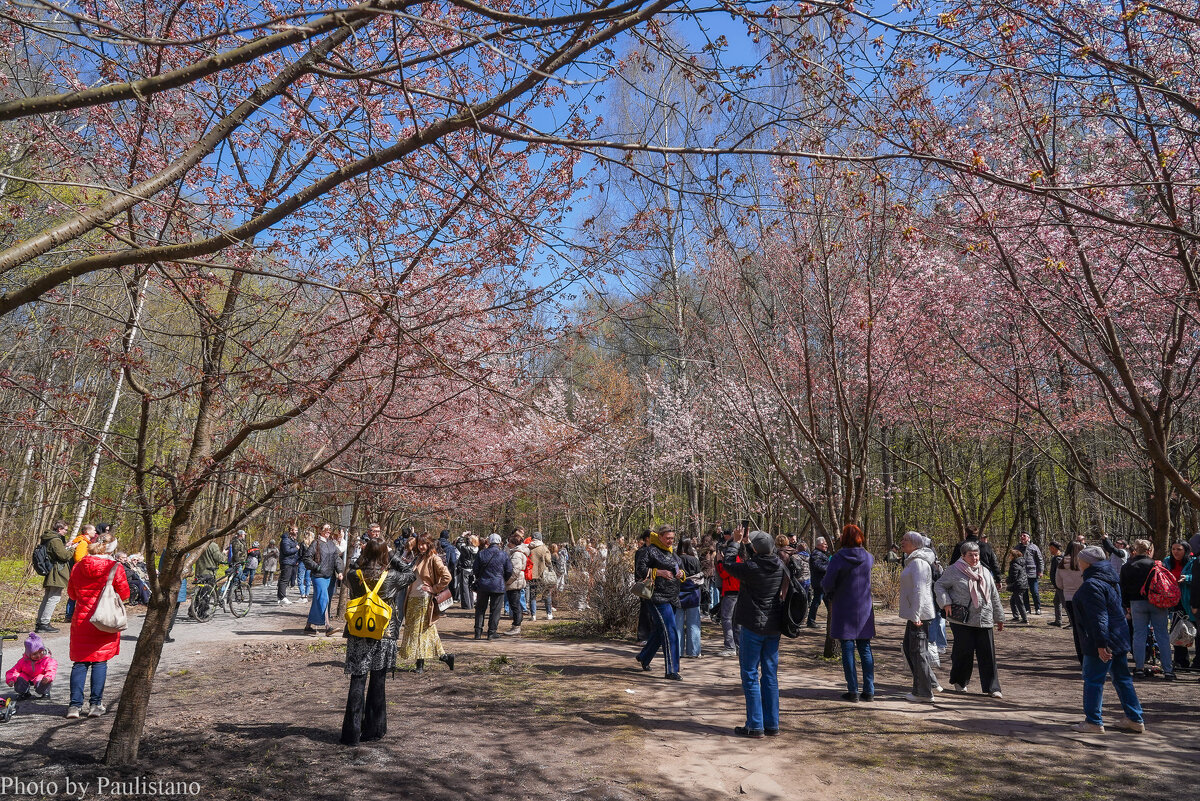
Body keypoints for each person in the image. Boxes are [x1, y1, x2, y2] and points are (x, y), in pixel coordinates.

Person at [340, 538, 416, 746]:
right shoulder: (391, 576)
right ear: (385, 554)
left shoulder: (354, 575)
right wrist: (391, 555)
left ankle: (352, 733)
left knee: (357, 679)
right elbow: (411, 573)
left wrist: (364, 556)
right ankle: (374, 729)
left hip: (358, 632)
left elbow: (352, 568)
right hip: (384, 632)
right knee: (378, 680)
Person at [1070, 546, 1146, 734]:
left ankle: (1094, 721)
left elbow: (1099, 617)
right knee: (1122, 679)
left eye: (1080, 560)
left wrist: (1101, 644)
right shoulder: (1110, 578)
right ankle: (1135, 718)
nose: (1078, 563)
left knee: (1094, 680)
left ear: (1087, 562)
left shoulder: (1092, 584)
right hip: (1118, 637)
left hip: (1103, 641)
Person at [721, 531, 786, 738]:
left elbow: (728, 564)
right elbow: (759, 559)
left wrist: (736, 542)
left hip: (752, 626)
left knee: (749, 674)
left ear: (757, 550)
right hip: (774, 626)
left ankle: (755, 725)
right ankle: (772, 724)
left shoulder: (750, 568)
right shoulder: (779, 563)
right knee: (770, 675)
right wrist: (749, 545)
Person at [65, 538, 131, 718]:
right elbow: (125, 594)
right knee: (99, 661)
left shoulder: (77, 567)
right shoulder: (115, 568)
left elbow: (72, 593)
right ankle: (95, 705)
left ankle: (74, 706)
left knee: (80, 662)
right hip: (104, 619)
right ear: (110, 550)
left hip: (82, 620)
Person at [935, 540, 1005, 697]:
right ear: (963, 556)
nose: (975, 558)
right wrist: (945, 602)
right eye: (971, 555)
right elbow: (939, 586)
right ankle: (960, 682)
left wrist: (999, 617)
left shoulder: (985, 571)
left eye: (977, 554)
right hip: (962, 619)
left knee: (988, 653)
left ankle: (993, 688)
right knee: (963, 652)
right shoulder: (953, 570)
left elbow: (994, 595)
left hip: (984, 618)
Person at [823, 524, 876, 702]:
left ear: (843, 538)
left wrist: (829, 590)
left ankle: (852, 690)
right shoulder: (869, 557)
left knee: (847, 647)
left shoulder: (838, 558)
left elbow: (828, 581)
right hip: (864, 607)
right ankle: (869, 690)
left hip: (844, 605)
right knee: (865, 647)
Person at [398, 532, 454, 673]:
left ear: (429, 544)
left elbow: (447, 576)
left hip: (423, 599)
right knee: (423, 631)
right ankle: (445, 657)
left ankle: (420, 665)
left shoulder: (433, 558)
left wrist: (434, 588)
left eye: (424, 544)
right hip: (412, 597)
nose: (421, 546)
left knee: (420, 632)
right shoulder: (418, 557)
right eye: (419, 544)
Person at [1120, 539, 1173, 679]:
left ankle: (1139, 668)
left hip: (1136, 603)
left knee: (1139, 635)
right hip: (1157, 602)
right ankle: (1168, 670)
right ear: (1149, 550)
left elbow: (1123, 588)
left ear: (1135, 550)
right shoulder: (1155, 565)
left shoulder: (1127, 566)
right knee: (1162, 635)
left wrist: (1126, 606)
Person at [636, 525, 685, 680]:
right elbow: (640, 569)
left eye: (672, 538)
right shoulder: (650, 551)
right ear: (660, 537)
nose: (670, 541)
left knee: (660, 630)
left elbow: (683, 571)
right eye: (667, 538)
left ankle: (644, 657)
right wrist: (658, 572)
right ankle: (672, 670)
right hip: (657, 597)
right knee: (670, 630)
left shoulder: (674, 554)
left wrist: (681, 574)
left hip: (673, 597)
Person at [898, 531, 940, 703]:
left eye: (905, 540)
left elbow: (920, 590)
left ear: (915, 544)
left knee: (918, 652)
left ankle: (923, 692)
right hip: (915, 613)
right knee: (910, 649)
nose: (901, 542)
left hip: (920, 614)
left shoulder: (918, 563)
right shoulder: (913, 561)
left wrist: (916, 615)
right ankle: (931, 682)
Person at [304, 526, 344, 637]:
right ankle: (328, 627)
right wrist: (317, 567)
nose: (328, 531)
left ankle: (308, 626)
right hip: (319, 576)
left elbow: (337, 559)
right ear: (320, 531)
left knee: (320, 600)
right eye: (325, 529)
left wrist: (340, 571)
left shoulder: (331, 544)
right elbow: (306, 558)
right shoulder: (315, 543)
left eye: (329, 529)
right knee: (323, 598)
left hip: (330, 577)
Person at [35, 520, 73, 634]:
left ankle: (40, 622)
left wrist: (65, 546)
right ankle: (44, 623)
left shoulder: (49, 538)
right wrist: (71, 549)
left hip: (51, 570)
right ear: (59, 529)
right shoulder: (56, 540)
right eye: (65, 529)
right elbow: (64, 556)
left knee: (47, 597)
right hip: (56, 572)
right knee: (53, 598)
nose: (66, 532)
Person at [473, 534, 513, 639]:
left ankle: (478, 632)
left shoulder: (481, 554)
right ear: (499, 542)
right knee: (495, 610)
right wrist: (503, 579)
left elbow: (475, 569)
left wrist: (480, 577)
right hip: (498, 585)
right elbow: (509, 570)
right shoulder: (503, 555)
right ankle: (491, 632)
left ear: (489, 542)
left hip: (483, 585)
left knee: (480, 609)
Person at [1163, 542, 1193, 670]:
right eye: (1173, 549)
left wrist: (1187, 578)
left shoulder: (1192, 562)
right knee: (1176, 631)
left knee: (1193, 630)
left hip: (1189, 600)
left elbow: (1196, 577)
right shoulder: (1167, 561)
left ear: (1185, 550)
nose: (1176, 552)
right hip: (1173, 601)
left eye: (1179, 549)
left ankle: (1196, 662)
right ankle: (1180, 661)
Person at [1055, 541, 1086, 662]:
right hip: (1084, 597)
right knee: (1087, 627)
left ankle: (1081, 656)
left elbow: (1059, 584)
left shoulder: (1061, 564)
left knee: (1076, 629)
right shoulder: (1082, 563)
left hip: (1069, 598)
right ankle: (1089, 654)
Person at [5, 632, 57, 699]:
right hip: (27, 677)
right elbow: (13, 671)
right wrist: (11, 679)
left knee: (43, 679)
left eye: (40, 652)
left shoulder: (47, 660)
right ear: (28, 654)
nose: (38, 655)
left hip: (40, 677)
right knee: (19, 677)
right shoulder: (23, 661)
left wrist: (48, 677)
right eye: (34, 654)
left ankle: (45, 692)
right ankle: (24, 692)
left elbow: (51, 670)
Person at [677, 539, 703, 659]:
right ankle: (694, 651)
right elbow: (700, 577)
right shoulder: (694, 560)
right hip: (693, 594)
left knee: (678, 624)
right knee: (694, 623)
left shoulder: (675, 559)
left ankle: (677, 650)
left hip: (678, 594)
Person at [504, 531, 530, 635]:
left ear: (513, 543)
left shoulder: (516, 554)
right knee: (515, 604)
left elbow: (515, 570)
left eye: (509, 542)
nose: (507, 544)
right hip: (517, 581)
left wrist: (507, 581)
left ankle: (516, 626)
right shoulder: (516, 553)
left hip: (515, 582)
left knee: (515, 605)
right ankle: (516, 624)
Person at [634, 529, 654, 644]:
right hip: (644, 584)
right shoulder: (642, 552)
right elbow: (639, 569)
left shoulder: (652, 550)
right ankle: (643, 637)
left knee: (650, 610)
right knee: (645, 610)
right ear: (647, 538)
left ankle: (650, 636)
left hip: (650, 583)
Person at [527, 532, 553, 620]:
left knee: (532, 595)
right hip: (543, 574)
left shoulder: (528, 548)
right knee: (546, 594)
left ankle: (533, 615)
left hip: (532, 574)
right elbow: (548, 560)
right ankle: (549, 613)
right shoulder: (543, 548)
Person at [1017, 532, 1044, 615]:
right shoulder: (1017, 547)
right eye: (1021, 536)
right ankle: (1027, 609)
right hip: (1022, 574)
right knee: (1024, 592)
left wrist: (1041, 571)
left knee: (1035, 592)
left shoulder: (1034, 547)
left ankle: (1038, 608)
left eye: (1024, 536)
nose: (1022, 537)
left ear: (1028, 538)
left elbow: (1040, 560)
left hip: (1033, 573)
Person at [806, 537, 830, 628]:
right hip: (819, 582)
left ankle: (832, 619)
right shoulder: (816, 554)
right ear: (819, 545)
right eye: (824, 544)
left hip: (823, 582)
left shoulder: (822, 554)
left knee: (828, 601)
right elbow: (818, 566)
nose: (826, 546)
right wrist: (830, 567)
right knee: (816, 601)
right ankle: (810, 621)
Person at [276, 526, 300, 604]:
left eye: (297, 530)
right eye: (296, 530)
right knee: (284, 580)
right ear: (291, 531)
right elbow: (286, 551)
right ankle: (282, 597)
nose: (297, 532)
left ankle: (280, 596)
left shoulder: (293, 540)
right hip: (286, 562)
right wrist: (296, 548)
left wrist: (297, 559)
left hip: (292, 562)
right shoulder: (285, 540)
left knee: (286, 579)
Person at [1006, 548, 1030, 623]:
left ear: (1013, 556)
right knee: (1013, 601)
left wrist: (1007, 581)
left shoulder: (1014, 565)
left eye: (1010, 555)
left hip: (1018, 585)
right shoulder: (1021, 563)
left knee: (1019, 602)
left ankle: (1025, 619)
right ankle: (1016, 616)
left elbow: (1013, 577)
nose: (1009, 556)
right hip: (1022, 584)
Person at [1046, 540, 1064, 626]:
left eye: (1050, 549)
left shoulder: (1058, 559)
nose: (1050, 550)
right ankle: (1058, 621)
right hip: (1058, 585)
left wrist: (1059, 584)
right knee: (1056, 601)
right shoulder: (1057, 558)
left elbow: (1060, 573)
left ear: (1054, 548)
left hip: (1060, 585)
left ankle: (1072, 622)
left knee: (1065, 604)